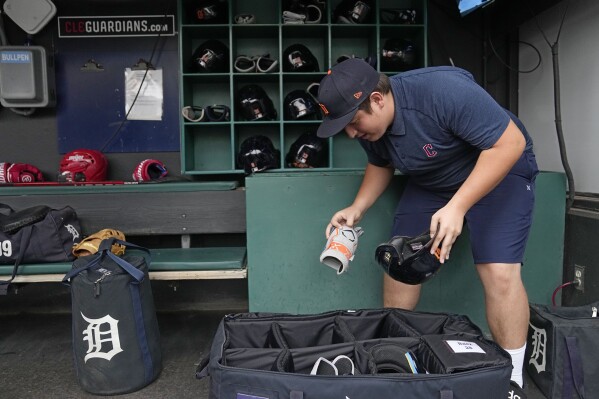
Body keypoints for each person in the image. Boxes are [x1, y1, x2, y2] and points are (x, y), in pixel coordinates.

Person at [316, 58, 538, 397]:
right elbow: (381, 162)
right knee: (397, 262)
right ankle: (392, 362)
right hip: (435, 179)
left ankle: (511, 379)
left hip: (499, 166)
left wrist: (458, 207)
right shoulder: (370, 125)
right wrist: (357, 208)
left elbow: (509, 144)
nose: (350, 133)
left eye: (353, 121)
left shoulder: (442, 92)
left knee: (497, 271)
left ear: (377, 99)